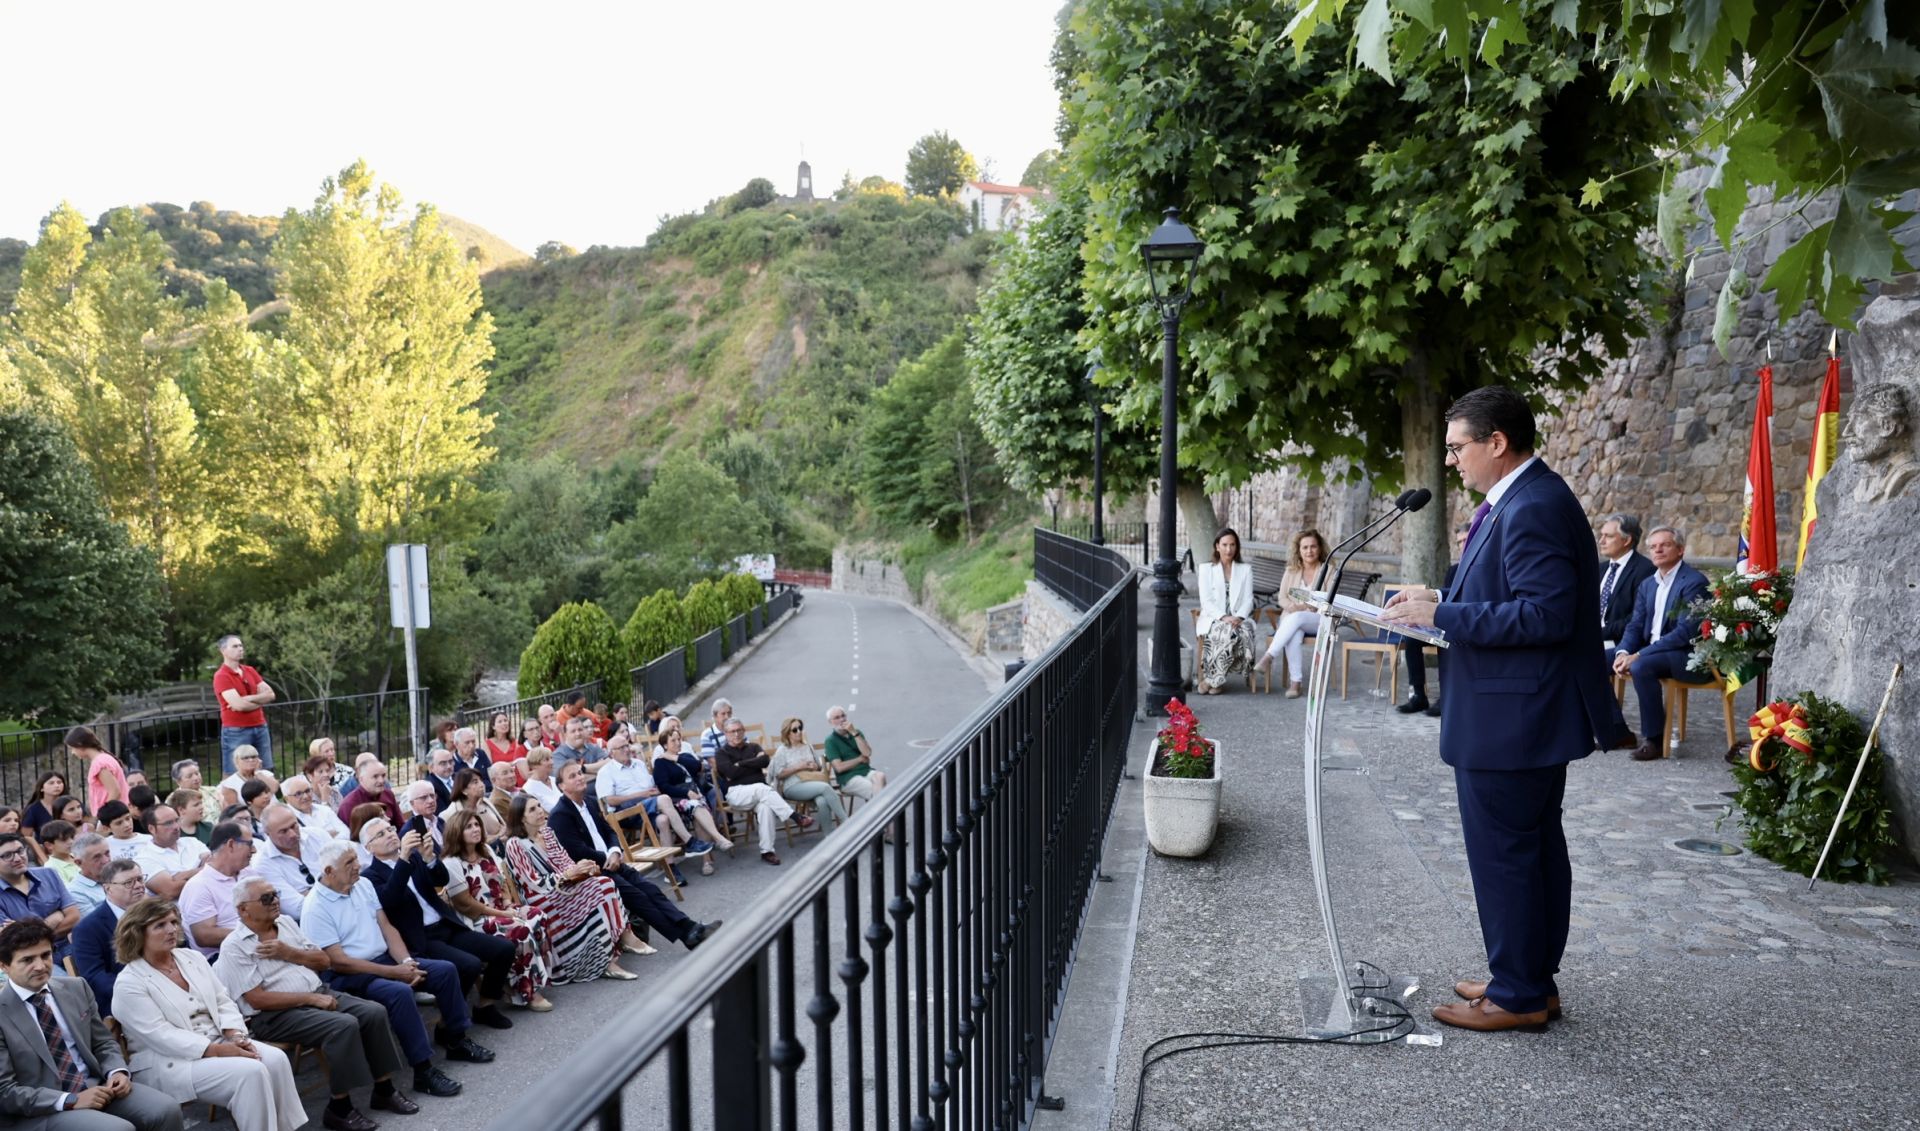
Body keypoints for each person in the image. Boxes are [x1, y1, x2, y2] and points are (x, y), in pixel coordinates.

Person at [1381, 385, 1613, 1033]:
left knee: (1508, 852)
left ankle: (1517, 994)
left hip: (1512, 718)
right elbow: (1510, 588)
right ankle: (1528, 975)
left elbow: (1544, 613)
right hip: (1516, 713)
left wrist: (1444, 613)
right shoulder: (1522, 498)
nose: (1451, 460)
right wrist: (1440, 593)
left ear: (1497, 443)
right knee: (1531, 848)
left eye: (1458, 447)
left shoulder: (1531, 505)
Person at [218, 876, 417, 1129]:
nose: (275, 901)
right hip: (274, 1015)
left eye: (276, 894)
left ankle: (384, 1090)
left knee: (373, 1012)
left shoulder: (286, 923)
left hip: (317, 991)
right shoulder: (234, 946)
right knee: (342, 1025)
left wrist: (289, 953)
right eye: (266, 898)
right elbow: (258, 999)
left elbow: (324, 961)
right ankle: (339, 1108)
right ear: (243, 909)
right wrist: (311, 998)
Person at [110, 899, 306, 1131]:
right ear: (137, 933)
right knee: (250, 1072)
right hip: (169, 1062)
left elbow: (222, 1000)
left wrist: (236, 1035)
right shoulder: (129, 982)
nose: (172, 929)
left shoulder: (192, 958)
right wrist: (218, 1051)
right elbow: (160, 1035)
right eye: (160, 925)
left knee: (275, 1059)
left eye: (173, 922)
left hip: (219, 1041)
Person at [302, 839, 493, 1076]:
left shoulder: (361, 884)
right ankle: (423, 1070)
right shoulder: (315, 907)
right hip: (351, 974)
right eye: (349, 862)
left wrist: (406, 963)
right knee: (400, 992)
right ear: (329, 871)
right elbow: (338, 961)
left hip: (384, 959)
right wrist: (394, 973)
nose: (357, 866)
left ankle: (455, 1039)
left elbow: (387, 927)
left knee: (445, 970)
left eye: (355, 859)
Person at [0, 917, 185, 1131]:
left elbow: (103, 1042)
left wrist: (116, 1071)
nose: (40, 966)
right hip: (41, 1111)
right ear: (4, 965)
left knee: (166, 1109)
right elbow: (5, 1090)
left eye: (45, 955)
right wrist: (70, 1100)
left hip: (98, 1087)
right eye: (27, 960)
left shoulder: (76, 988)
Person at [358, 817, 515, 1031]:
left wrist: (430, 858)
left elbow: (441, 880)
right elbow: (390, 899)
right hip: (420, 937)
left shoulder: (414, 858)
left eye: (391, 829)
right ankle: (448, 1021)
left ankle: (484, 1005)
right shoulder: (370, 876)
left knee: (503, 949)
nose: (390, 834)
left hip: (445, 924)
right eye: (381, 834)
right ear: (369, 848)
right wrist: (403, 858)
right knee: (469, 965)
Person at [546, 762, 722, 950]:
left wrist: (614, 852)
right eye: (572, 776)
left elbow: (609, 831)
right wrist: (607, 857)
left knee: (650, 889)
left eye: (580, 773)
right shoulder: (560, 815)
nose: (580, 777)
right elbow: (577, 851)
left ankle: (690, 928)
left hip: (611, 861)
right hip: (591, 872)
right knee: (639, 897)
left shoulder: (589, 801)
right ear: (562, 786)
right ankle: (686, 935)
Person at [500, 794, 643, 981]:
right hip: (539, 895)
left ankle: (621, 940)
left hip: (563, 884)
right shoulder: (515, 844)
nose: (540, 811)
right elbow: (532, 882)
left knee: (604, 883)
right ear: (520, 817)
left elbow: (565, 861)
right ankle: (603, 962)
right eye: (532, 809)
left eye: (539, 805)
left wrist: (581, 868)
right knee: (591, 891)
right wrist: (568, 875)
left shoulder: (547, 832)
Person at [1612, 526, 1713, 762]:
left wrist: (1638, 655)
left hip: (1685, 654)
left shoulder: (1694, 582)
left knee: (1641, 666)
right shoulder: (1648, 584)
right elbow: (1635, 626)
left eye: (1664, 545)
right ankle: (1616, 730)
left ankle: (1654, 740)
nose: (1658, 550)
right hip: (1651, 651)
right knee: (1593, 661)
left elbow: (1685, 633)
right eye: (1653, 546)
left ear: (1680, 550)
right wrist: (1623, 651)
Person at [440, 810, 555, 1012]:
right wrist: (502, 914)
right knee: (520, 930)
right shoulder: (451, 863)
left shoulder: (485, 849)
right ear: (457, 832)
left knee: (537, 915)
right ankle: (526, 991)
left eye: (477, 825)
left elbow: (501, 881)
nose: (475, 829)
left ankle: (536, 978)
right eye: (469, 827)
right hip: (476, 919)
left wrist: (509, 903)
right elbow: (465, 903)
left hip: (501, 909)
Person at [715, 721, 815, 865]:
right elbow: (730, 772)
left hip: (761, 794)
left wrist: (741, 764)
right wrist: (753, 762)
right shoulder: (722, 753)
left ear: (743, 731)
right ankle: (795, 816)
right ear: (725, 734)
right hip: (737, 794)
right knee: (762, 788)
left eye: (739, 730)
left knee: (766, 807)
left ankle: (767, 851)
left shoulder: (753, 746)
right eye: (732, 731)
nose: (736, 734)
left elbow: (765, 761)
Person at [1595, 513, 1655, 749]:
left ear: (1627, 540)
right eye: (1601, 536)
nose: (1601, 541)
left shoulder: (1644, 570)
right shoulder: (1599, 570)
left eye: (1608, 536)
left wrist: (1601, 632)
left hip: (1624, 642)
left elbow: (1638, 618)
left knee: (1588, 661)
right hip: (1596, 638)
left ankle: (1617, 730)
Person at [1399, 523, 1469, 716]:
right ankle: (1418, 695)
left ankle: (1445, 697)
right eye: (1460, 541)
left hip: (1465, 623)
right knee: (1411, 638)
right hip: (1444, 620)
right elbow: (1449, 598)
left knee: (1446, 641)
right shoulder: (1454, 570)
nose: (1463, 544)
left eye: (1466, 539)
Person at [1255, 529, 1331, 698]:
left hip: (1319, 619)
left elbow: (1330, 599)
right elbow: (1282, 597)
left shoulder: (1328, 570)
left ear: (1319, 548)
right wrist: (1291, 606)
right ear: (1299, 550)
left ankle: (1269, 656)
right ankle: (1296, 683)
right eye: (1305, 547)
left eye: (1313, 547)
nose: (1309, 551)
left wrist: (1307, 606)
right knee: (1294, 633)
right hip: (1293, 618)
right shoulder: (1291, 571)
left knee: (1295, 618)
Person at [644, 730, 730, 872]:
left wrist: (676, 758)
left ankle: (707, 862)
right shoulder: (660, 762)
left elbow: (698, 766)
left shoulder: (684, 757)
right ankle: (719, 838)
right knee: (697, 806)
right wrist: (686, 792)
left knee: (698, 812)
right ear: (665, 745)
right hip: (676, 801)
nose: (678, 743)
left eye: (679, 739)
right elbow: (663, 787)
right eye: (673, 740)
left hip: (695, 799)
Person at [70, 859, 145, 1017]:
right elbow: (95, 978)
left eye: (140, 879)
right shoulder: (88, 928)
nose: (138, 885)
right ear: (108, 888)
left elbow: (180, 947)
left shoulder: (157, 914)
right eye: (129, 883)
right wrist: (142, 990)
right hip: (126, 1003)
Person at [177, 822, 254, 959]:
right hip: (225, 958)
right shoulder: (199, 886)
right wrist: (255, 934)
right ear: (231, 845)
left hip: (260, 949)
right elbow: (204, 936)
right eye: (249, 844)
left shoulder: (249, 873)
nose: (254, 850)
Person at [0, 833, 81, 963]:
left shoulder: (48, 873)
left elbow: (74, 917)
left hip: (67, 946)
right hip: (30, 959)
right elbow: (13, 939)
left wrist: (29, 931)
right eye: (7, 855)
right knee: (65, 982)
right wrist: (56, 917)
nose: (17, 858)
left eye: (20, 851)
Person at [1194, 527, 1256, 694]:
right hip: (1214, 618)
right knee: (1225, 631)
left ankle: (1211, 681)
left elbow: (1249, 599)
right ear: (1217, 546)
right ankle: (1216, 681)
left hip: (1240, 619)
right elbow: (1206, 601)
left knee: (1239, 632)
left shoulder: (1245, 569)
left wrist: (1239, 617)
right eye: (1225, 545)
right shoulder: (1206, 569)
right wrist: (1224, 617)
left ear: (1237, 547)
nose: (1229, 549)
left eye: (1233, 545)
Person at [242, 806, 328, 922]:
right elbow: (298, 910)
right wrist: (333, 883)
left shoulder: (317, 835)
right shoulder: (263, 865)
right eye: (283, 831)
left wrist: (307, 893)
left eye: (294, 826)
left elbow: (348, 874)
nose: (292, 834)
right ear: (267, 833)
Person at [768, 718, 849, 829]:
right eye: (795, 730)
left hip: (811, 782)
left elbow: (818, 766)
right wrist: (799, 767)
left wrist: (815, 766)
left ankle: (828, 837)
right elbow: (779, 774)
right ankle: (847, 821)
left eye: (800, 728)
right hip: (792, 786)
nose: (799, 732)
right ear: (787, 733)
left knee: (822, 802)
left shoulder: (807, 746)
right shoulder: (782, 750)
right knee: (825, 787)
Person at [213, 635, 275, 775]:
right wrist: (260, 701)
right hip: (236, 730)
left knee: (265, 769)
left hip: (260, 726)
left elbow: (271, 694)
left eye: (241, 646)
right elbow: (240, 706)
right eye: (235, 646)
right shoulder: (222, 676)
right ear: (223, 651)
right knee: (234, 772)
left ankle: (264, 796)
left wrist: (248, 698)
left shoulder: (250, 670)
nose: (240, 649)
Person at [130, 807, 207, 901]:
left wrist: (182, 876)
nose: (176, 826)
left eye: (177, 820)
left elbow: (216, 866)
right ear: (152, 829)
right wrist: (205, 871)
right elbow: (170, 891)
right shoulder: (144, 859)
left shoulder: (192, 842)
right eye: (168, 823)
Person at [823, 706, 887, 806]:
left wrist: (853, 732)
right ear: (830, 722)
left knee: (880, 776)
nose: (842, 719)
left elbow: (867, 753)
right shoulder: (830, 741)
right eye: (837, 718)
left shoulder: (856, 732)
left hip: (865, 771)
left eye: (843, 716)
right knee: (874, 788)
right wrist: (859, 759)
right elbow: (839, 767)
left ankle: (877, 812)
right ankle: (881, 812)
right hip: (848, 778)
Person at [68, 728, 129, 818]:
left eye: (72, 748)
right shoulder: (103, 758)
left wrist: (103, 817)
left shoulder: (99, 763)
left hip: (113, 817)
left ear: (80, 744)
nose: (72, 752)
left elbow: (115, 792)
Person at [443, 769, 504, 843]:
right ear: (464, 790)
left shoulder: (486, 803)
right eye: (475, 782)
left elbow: (503, 827)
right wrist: (498, 837)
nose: (482, 785)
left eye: (481, 780)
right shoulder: (452, 814)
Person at [335, 759, 401, 827]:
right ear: (361, 779)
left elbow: (400, 825)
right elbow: (349, 836)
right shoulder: (349, 804)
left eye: (383, 775)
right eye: (375, 776)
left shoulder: (388, 794)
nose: (381, 780)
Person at [279, 776, 348, 840]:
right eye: (298, 794)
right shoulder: (287, 820)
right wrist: (329, 835)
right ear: (287, 799)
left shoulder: (324, 809)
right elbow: (305, 845)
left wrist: (320, 838)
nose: (305, 796)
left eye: (307, 791)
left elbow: (347, 833)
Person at [65, 835, 113, 918]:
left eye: (107, 853)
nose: (106, 860)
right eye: (97, 857)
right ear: (79, 863)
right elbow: (100, 924)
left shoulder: (120, 876)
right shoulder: (75, 892)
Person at [217, 747, 276, 813]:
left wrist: (257, 772)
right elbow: (233, 810)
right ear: (237, 761)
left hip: (275, 812)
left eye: (253, 757)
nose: (250, 760)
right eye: (245, 758)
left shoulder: (266, 774)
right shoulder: (229, 784)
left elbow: (274, 789)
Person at [21, 771, 68, 846]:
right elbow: (26, 836)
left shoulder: (70, 803)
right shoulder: (33, 809)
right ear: (42, 788)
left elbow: (85, 824)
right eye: (51, 783)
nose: (56, 785)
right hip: (45, 849)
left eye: (59, 782)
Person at [168, 761, 222, 826]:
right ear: (178, 781)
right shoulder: (173, 799)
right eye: (189, 776)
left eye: (197, 773)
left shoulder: (213, 791)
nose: (196, 778)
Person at [423, 749, 458, 814]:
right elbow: (442, 814)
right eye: (443, 763)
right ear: (431, 767)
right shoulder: (430, 787)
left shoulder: (458, 777)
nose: (449, 766)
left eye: (450, 762)